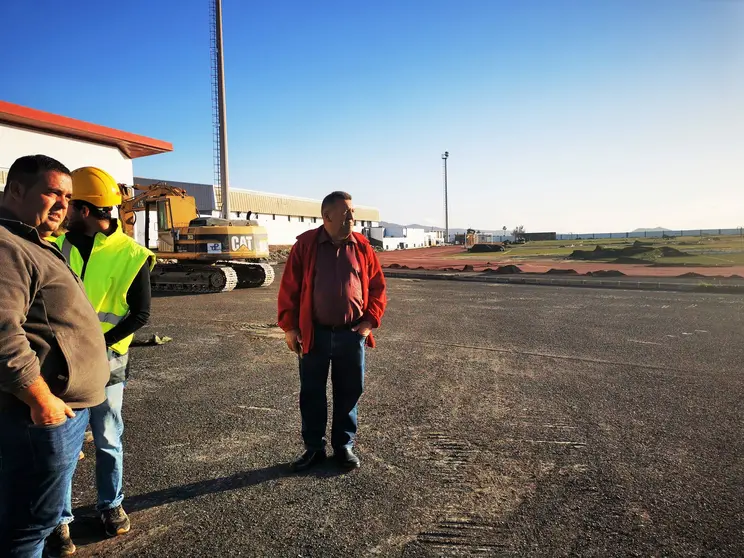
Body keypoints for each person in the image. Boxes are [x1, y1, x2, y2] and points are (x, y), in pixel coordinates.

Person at [0, 155, 110, 557]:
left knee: (34, 523)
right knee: (27, 529)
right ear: (16, 190)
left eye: (68, 195)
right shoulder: (7, 245)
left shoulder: (32, 240)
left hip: (56, 411)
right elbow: (2, 332)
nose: (63, 203)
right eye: (52, 192)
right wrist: (41, 399)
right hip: (36, 415)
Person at [46, 167, 155, 555]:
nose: (64, 210)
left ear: (88, 210)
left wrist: (96, 345)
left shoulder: (133, 254)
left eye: (71, 204)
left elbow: (140, 314)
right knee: (62, 445)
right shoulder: (55, 244)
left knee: (108, 437)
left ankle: (111, 505)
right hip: (58, 362)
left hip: (109, 361)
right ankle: (59, 520)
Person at [278, 191, 387, 472]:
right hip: (313, 335)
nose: (352, 217)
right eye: (346, 212)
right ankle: (314, 448)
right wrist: (290, 328)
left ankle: (344, 446)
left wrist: (369, 321)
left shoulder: (362, 247)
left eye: (352, 212)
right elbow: (289, 288)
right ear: (327, 216)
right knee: (312, 392)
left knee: (349, 391)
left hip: (351, 336)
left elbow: (377, 287)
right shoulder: (306, 245)